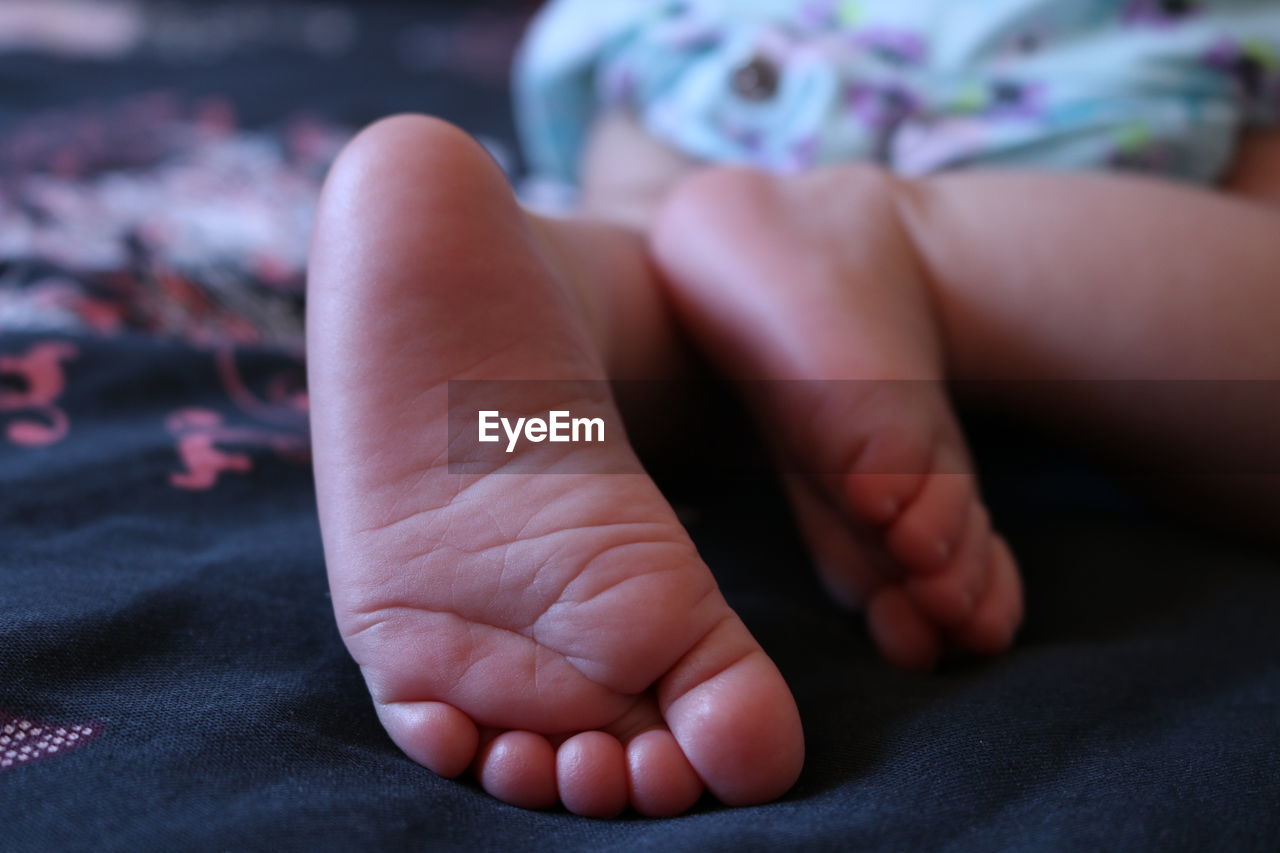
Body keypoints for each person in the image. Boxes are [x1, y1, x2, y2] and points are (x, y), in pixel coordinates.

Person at [304, 0, 1280, 818]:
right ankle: (909, 250)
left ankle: (522, 377)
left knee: (671, 282)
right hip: (1117, 54)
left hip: (730, 43)